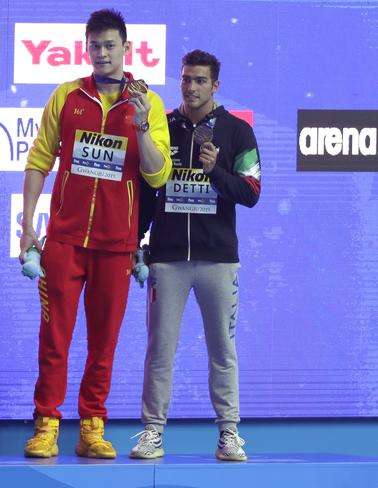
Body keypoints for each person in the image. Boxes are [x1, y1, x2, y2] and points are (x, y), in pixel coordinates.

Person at [20, 8, 172, 459]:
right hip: (64, 241)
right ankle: (46, 424)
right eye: (95, 46)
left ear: (127, 49)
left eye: (110, 45)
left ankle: (92, 426)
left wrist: (142, 124)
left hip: (117, 245)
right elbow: (39, 161)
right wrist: (28, 224)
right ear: (86, 48)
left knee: (104, 342)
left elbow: (158, 175)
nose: (102, 53)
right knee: (54, 338)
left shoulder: (149, 103)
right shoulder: (67, 96)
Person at [130, 49, 261, 461]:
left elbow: (252, 193)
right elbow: (148, 192)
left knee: (223, 349)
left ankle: (228, 433)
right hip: (167, 259)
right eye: (186, 79)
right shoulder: (163, 127)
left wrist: (215, 172)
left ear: (215, 85)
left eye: (200, 80)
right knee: (160, 348)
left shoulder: (238, 131)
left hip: (218, 260)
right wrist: (136, 240)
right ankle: (152, 432)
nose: (191, 86)